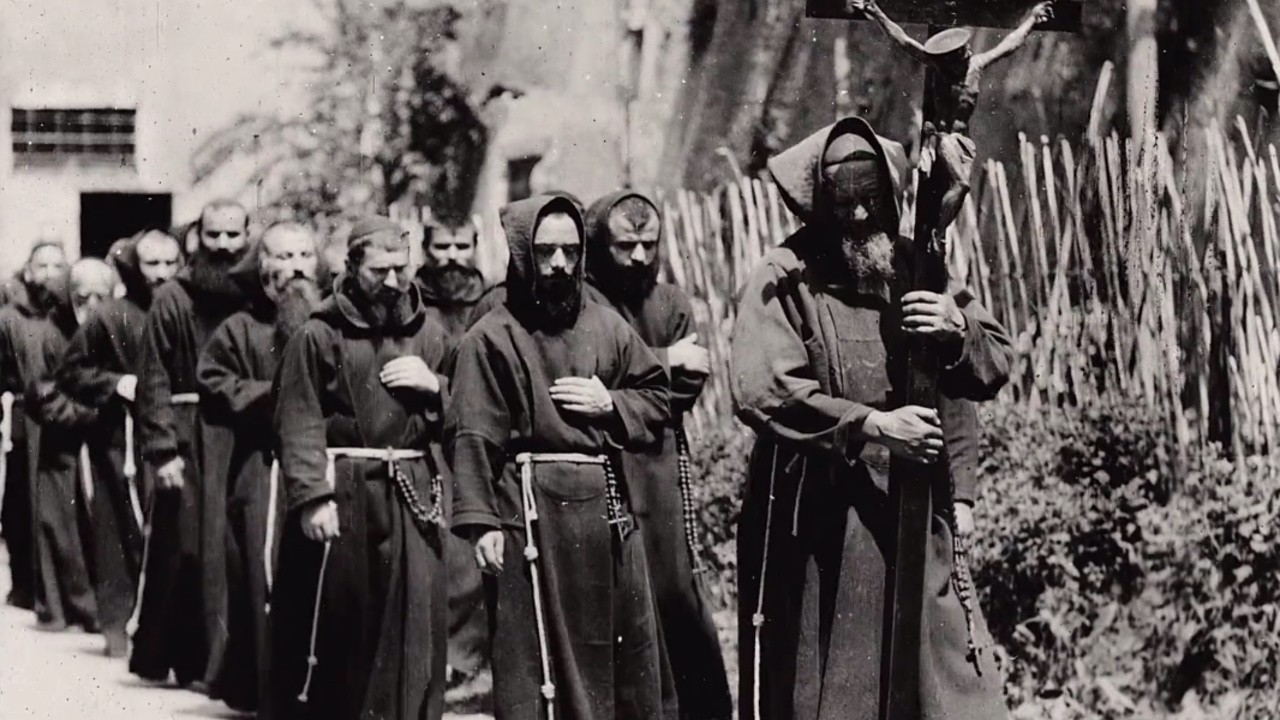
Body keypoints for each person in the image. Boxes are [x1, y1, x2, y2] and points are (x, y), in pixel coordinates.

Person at [730, 117, 1014, 720]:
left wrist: (955, 329)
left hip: (914, 511)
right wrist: (871, 425)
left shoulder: (915, 268)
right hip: (823, 516)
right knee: (839, 684)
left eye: (871, 201)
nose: (859, 218)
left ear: (890, 194)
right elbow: (764, 388)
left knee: (947, 686)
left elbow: (995, 364)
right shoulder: (785, 276)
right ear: (818, 203)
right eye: (843, 204)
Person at [448, 195, 671, 719]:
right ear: (524, 253)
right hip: (528, 514)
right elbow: (473, 434)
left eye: (570, 252)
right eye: (546, 252)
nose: (559, 266)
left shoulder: (607, 324)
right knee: (535, 660)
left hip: (603, 513)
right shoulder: (491, 336)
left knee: (619, 651)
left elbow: (657, 395)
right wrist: (482, 525)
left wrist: (610, 403)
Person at [270, 216, 453, 720]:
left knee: (414, 623)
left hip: (413, 494)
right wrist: (311, 496)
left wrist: (435, 387)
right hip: (344, 491)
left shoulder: (431, 335)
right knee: (343, 626)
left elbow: (470, 413)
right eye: (378, 271)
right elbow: (298, 417)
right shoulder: (318, 334)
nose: (393, 282)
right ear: (350, 268)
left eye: (401, 269)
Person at [582, 190, 732, 720]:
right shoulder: (583, 303)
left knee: (674, 591)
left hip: (661, 464)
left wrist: (624, 391)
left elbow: (682, 392)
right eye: (626, 246)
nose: (641, 257)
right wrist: (665, 360)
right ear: (601, 244)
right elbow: (583, 373)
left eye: (649, 244)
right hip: (605, 464)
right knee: (620, 592)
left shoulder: (672, 303)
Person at [197, 222, 327, 712]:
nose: (295, 267)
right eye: (283, 256)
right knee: (262, 574)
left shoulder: (332, 321)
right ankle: (264, 688)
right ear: (263, 266)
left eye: (304, 255)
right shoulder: (239, 328)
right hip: (263, 466)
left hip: (319, 464)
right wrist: (275, 398)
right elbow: (214, 381)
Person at [132, 199, 251, 689]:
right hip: (189, 435)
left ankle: (229, 664)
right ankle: (187, 657)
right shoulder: (172, 299)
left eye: (233, 235)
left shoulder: (252, 295)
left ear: (248, 236)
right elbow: (154, 377)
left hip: (241, 435)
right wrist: (163, 449)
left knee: (233, 550)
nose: (223, 246)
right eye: (214, 235)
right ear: (196, 237)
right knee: (189, 550)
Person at [55, 231, 182, 657]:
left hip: (178, 436)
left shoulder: (186, 308)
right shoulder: (110, 316)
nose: (162, 274)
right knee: (121, 527)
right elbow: (72, 373)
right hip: (122, 441)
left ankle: (170, 639)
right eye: (152, 265)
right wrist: (115, 382)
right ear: (135, 268)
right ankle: (120, 629)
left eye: (170, 263)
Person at [856, 0, 1054, 235]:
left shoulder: (975, 66)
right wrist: (877, 12)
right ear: (948, 57)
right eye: (961, 52)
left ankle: (936, 234)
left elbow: (1009, 44)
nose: (968, 52)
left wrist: (1031, 20)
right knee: (961, 185)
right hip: (942, 138)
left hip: (963, 141)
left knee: (957, 191)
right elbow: (903, 41)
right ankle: (937, 234)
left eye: (967, 48)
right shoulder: (937, 67)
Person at [414, 221, 492, 687]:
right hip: (429, 437)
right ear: (425, 249)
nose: (451, 257)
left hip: (479, 435)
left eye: (461, 246)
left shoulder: (491, 301)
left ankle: (467, 657)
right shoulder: (411, 303)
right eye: (441, 247)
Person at [25, 257, 119, 634]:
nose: (93, 306)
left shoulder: (112, 329)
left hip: (100, 447)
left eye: (102, 296)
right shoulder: (48, 334)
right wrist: (93, 411)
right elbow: (42, 394)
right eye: (84, 297)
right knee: (62, 532)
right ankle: (76, 606)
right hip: (64, 450)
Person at [0, 240, 69, 616]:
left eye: (57, 266)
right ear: (28, 271)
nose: (49, 274)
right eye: (42, 266)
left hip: (61, 415)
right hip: (24, 418)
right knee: (19, 502)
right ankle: (25, 583)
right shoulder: (10, 317)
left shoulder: (66, 314)